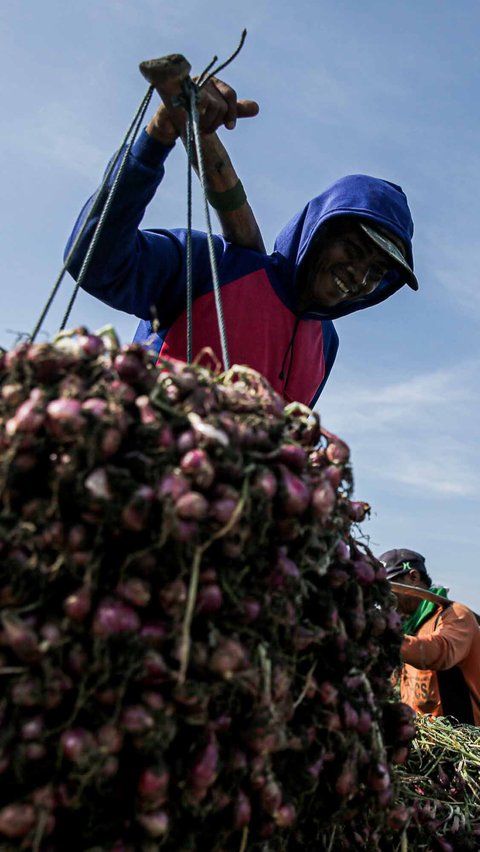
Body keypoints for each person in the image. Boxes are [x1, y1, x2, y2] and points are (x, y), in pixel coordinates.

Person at [66, 76, 419, 407]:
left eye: (376, 272)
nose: (359, 277)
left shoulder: (326, 345)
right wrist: (159, 135)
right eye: (354, 251)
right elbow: (94, 261)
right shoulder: (214, 266)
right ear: (319, 234)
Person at [380, 548, 480, 726]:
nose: (386, 600)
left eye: (390, 589)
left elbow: (441, 652)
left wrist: (386, 637)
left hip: (460, 744)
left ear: (413, 577)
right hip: (422, 743)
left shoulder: (455, 615)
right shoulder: (408, 627)